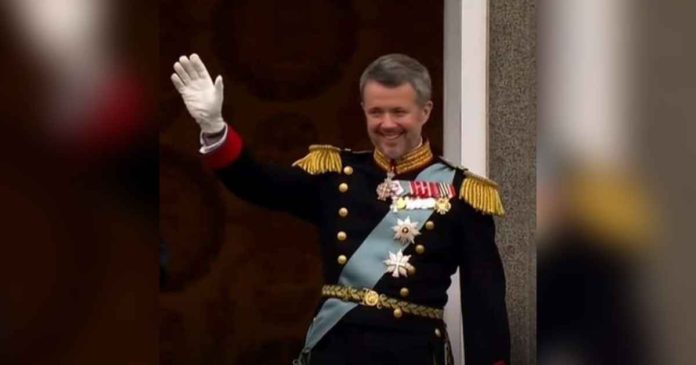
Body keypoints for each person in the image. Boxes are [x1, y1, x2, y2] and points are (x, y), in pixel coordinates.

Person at [171, 53, 510, 365]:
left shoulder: (462, 194)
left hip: (411, 354)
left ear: (426, 111)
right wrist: (214, 128)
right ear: (363, 110)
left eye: (399, 112)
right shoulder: (335, 175)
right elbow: (260, 184)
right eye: (376, 112)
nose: (387, 124)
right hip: (336, 351)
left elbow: (485, 304)